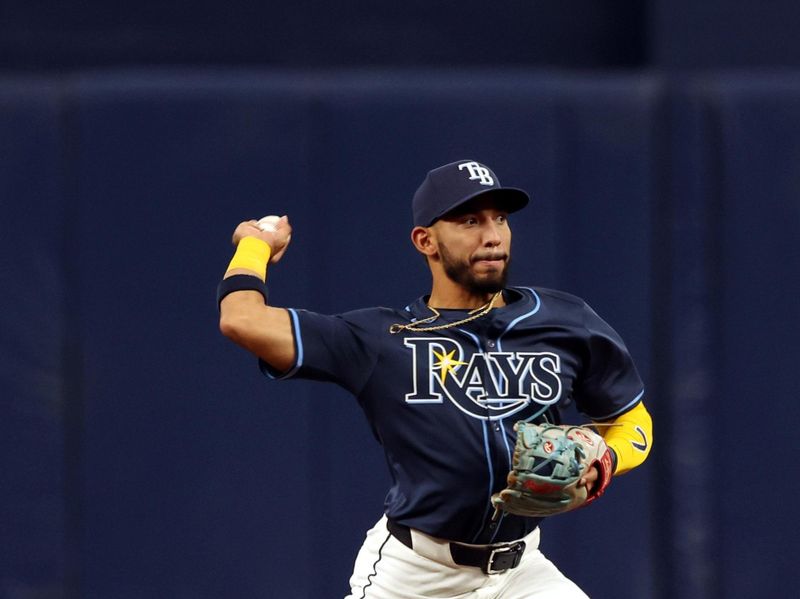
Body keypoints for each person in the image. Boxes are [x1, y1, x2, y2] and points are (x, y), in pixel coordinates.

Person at [218, 160, 653, 598]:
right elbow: (241, 320)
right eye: (469, 221)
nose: (492, 235)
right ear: (425, 240)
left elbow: (634, 422)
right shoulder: (381, 339)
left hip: (521, 572)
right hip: (417, 574)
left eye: (499, 219)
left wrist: (606, 461)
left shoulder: (566, 321)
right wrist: (254, 248)